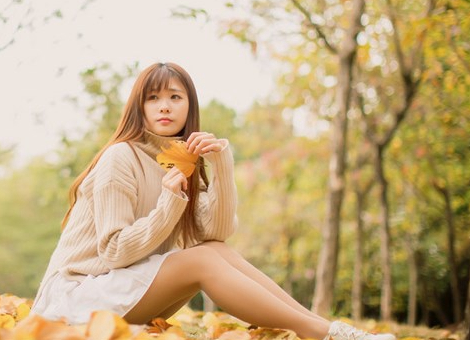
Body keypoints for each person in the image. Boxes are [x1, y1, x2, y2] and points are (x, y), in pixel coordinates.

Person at [31, 62, 395, 340]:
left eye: (175, 97)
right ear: (139, 107)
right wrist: (169, 204)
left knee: (215, 250)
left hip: (121, 292)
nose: (164, 107)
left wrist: (221, 165)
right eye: (153, 98)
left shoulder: (180, 158)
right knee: (204, 259)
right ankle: (319, 332)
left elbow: (215, 233)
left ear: (189, 106)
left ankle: (323, 327)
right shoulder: (120, 157)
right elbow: (112, 252)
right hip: (73, 299)